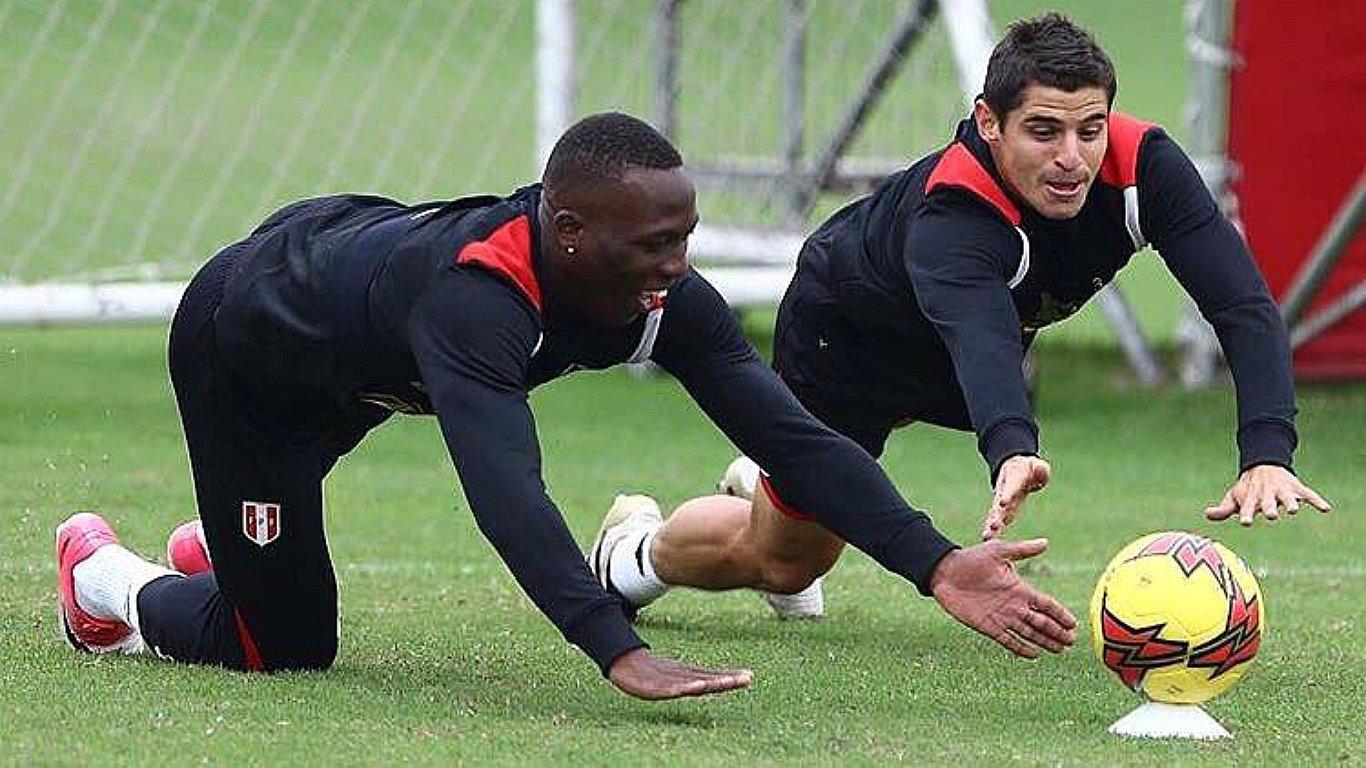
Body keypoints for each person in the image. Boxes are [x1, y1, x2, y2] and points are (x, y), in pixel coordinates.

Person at [55, 112, 1077, 701]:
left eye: (685, 238)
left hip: (356, 323)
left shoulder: (648, 290)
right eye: (653, 245)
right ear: (571, 230)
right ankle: (104, 579)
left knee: (269, 566)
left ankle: (237, 546)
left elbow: (788, 439)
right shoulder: (475, 305)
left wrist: (936, 562)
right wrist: (615, 646)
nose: (676, 266)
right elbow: (509, 491)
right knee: (277, 649)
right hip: (251, 349)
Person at [589, 14, 1331, 621]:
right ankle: (634, 550)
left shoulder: (1144, 167)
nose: (1073, 157)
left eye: (1090, 128)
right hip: (849, 336)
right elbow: (980, 336)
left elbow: (1241, 305)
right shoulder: (957, 215)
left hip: (970, 346)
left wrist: (1268, 449)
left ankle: (769, 479)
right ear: (990, 122)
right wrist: (1011, 446)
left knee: (811, 520)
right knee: (784, 564)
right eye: (1044, 131)